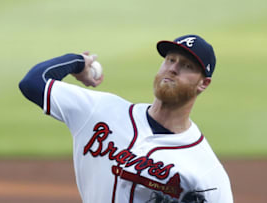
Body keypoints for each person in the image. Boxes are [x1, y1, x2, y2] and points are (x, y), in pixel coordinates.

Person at [19, 34, 233, 203]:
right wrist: (78, 62)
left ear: (203, 83)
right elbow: (33, 83)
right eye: (170, 60)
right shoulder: (99, 111)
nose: (173, 69)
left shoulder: (206, 171)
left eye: (186, 66)